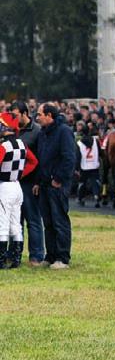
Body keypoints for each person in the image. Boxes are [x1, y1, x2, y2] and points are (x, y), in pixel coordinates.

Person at [33, 103, 76, 270]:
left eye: (39, 114)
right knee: (48, 222)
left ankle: (62, 257)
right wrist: (38, 181)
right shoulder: (44, 133)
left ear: (49, 115)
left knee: (60, 221)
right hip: (44, 184)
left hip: (58, 184)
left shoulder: (64, 131)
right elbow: (40, 160)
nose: (37, 118)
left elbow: (69, 158)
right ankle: (50, 256)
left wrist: (58, 179)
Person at [0, 113, 38, 269]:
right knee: (16, 223)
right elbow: (34, 161)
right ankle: (16, 259)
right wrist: (21, 173)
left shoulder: (3, 146)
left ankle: (1, 261)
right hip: (17, 186)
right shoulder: (22, 144)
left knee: (2, 223)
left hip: (5, 187)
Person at [10, 101, 44, 266]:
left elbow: (40, 159)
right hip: (13, 182)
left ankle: (36, 256)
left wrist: (38, 181)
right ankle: (14, 253)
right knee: (15, 221)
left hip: (30, 182)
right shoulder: (12, 130)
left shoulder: (37, 131)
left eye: (16, 115)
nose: (14, 118)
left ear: (24, 113)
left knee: (33, 219)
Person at [76, 124, 101, 208]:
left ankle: (81, 198)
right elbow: (100, 152)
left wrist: (77, 168)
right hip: (94, 165)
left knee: (82, 183)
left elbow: (78, 156)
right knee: (95, 182)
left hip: (84, 165)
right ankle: (96, 196)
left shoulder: (79, 143)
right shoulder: (95, 141)